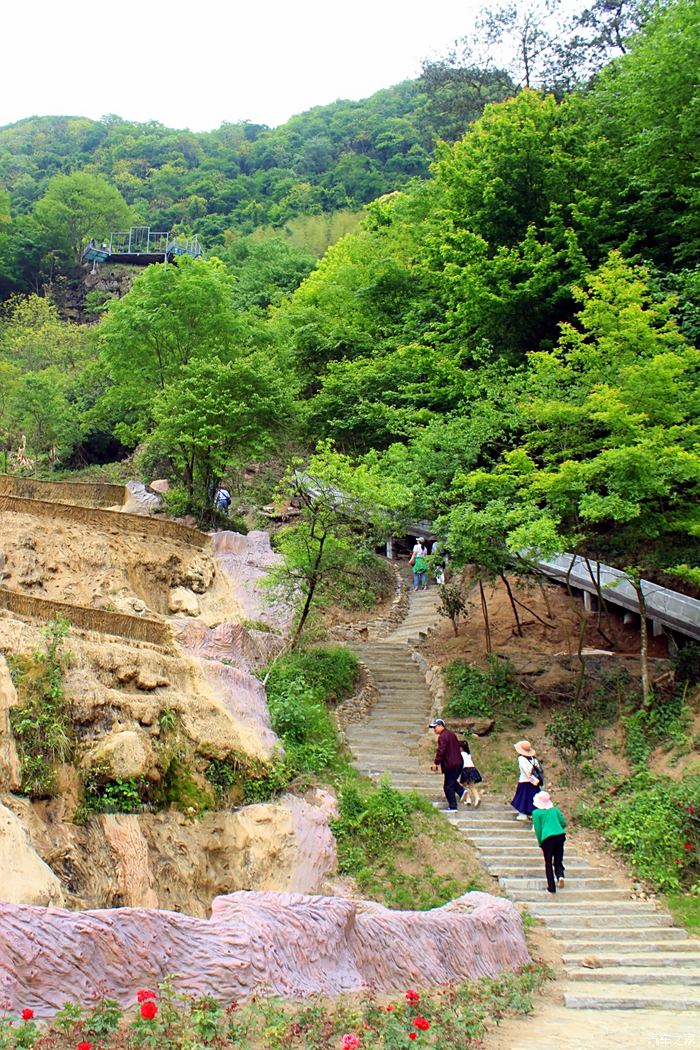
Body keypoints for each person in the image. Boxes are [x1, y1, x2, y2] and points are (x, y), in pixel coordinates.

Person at [532, 790, 567, 894]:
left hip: (547, 839)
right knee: (558, 859)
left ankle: (551, 887)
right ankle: (560, 876)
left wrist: (540, 843)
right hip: (560, 836)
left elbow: (538, 830)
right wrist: (558, 827)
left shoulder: (536, 813)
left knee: (548, 863)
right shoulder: (555, 810)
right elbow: (563, 822)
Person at [430, 718, 464, 811]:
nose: (434, 730)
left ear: (441, 726)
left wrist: (436, 763)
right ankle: (462, 792)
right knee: (451, 782)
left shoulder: (443, 736)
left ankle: (453, 806)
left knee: (448, 786)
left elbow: (441, 751)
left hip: (450, 764)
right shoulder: (452, 734)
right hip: (459, 763)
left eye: (435, 727)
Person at [510, 740, 542, 821]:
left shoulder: (521, 758)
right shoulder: (534, 759)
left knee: (522, 798)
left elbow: (526, 771)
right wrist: (536, 782)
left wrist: (531, 779)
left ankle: (522, 814)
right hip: (535, 782)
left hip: (525, 781)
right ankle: (532, 814)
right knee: (533, 799)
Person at [458, 738, 483, 807]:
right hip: (473, 769)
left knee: (464, 785)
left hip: (465, 770)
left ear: (461, 748)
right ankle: (477, 797)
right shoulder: (468, 754)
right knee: (472, 785)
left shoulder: (460, 754)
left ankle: (468, 799)